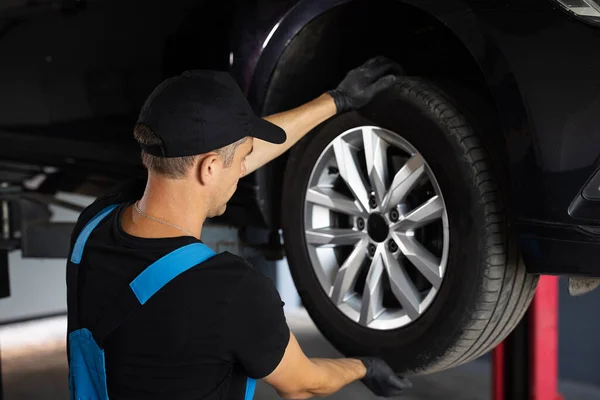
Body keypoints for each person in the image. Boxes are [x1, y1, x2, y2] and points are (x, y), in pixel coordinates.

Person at [66, 57, 410, 400]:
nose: (245, 167)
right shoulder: (230, 290)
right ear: (210, 168)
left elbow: (213, 162)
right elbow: (304, 383)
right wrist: (364, 366)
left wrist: (334, 101)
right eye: (243, 157)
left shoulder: (92, 225)